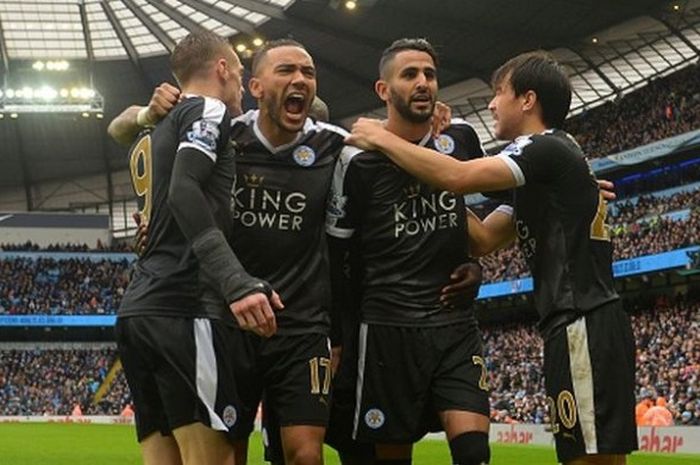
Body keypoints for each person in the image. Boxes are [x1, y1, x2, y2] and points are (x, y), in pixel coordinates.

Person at [110, 39, 484, 465]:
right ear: (255, 86)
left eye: (308, 72)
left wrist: (465, 258)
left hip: (303, 326)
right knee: (230, 453)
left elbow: (404, 193)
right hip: (232, 321)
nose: (300, 80)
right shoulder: (223, 132)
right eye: (286, 71)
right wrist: (148, 110)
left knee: (305, 454)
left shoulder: (336, 145)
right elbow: (128, 132)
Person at [346, 50, 638, 465]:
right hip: (574, 325)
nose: (490, 103)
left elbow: (458, 176)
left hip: (582, 321)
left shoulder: (543, 149)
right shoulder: (548, 172)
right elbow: (482, 239)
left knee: (588, 460)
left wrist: (383, 138)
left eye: (498, 92)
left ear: (527, 100)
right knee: (596, 457)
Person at [115, 31, 281, 465]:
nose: (242, 84)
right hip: (185, 306)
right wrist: (235, 281)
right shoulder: (208, 109)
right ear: (221, 68)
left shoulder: (152, 129)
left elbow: (121, 131)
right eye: (240, 72)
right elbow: (184, 192)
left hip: (139, 312)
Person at [326, 38, 491, 465]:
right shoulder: (355, 160)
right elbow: (337, 256)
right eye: (410, 75)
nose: (423, 83)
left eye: (430, 75)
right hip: (386, 329)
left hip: (455, 325)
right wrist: (339, 335)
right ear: (383, 90)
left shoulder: (459, 140)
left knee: (474, 452)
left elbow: (490, 208)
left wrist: (475, 263)